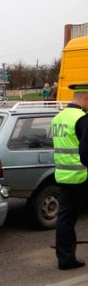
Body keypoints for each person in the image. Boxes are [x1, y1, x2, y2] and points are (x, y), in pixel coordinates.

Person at [51, 82, 88, 270]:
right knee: (69, 219)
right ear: (86, 98)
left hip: (63, 175)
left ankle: (65, 259)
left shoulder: (58, 118)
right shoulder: (82, 118)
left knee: (65, 219)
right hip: (82, 176)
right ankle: (68, 258)